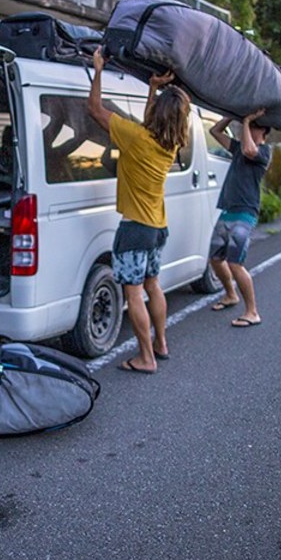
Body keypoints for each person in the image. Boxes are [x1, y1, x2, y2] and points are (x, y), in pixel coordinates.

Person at [87, 48, 191, 374]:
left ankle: (145, 358)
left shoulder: (135, 138)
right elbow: (152, 122)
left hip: (134, 230)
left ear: (158, 114)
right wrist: (152, 88)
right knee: (152, 285)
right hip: (158, 227)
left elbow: (94, 110)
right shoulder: (170, 143)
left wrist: (99, 70)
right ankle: (160, 343)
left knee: (133, 295)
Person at [207, 110, 272, 328]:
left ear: (262, 130)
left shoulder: (264, 152)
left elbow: (248, 149)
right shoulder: (237, 149)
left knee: (235, 263)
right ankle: (230, 295)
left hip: (245, 213)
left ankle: (252, 311)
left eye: (254, 126)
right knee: (215, 257)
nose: (249, 130)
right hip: (228, 209)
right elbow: (214, 131)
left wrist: (246, 120)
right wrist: (231, 116)